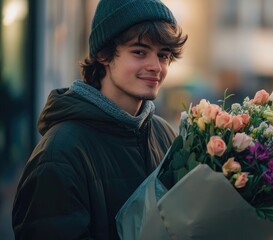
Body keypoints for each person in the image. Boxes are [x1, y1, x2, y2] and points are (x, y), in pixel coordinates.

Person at [12, 0, 188, 239]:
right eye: (139, 52)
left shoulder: (166, 135)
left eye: (163, 55)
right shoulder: (59, 152)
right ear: (104, 54)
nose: (156, 66)